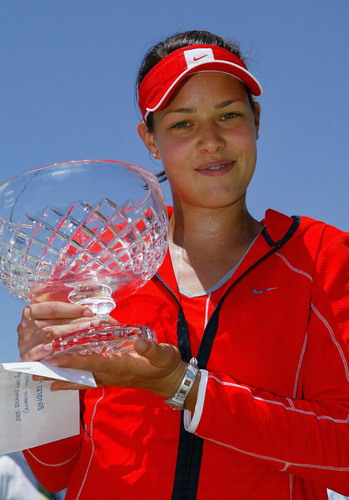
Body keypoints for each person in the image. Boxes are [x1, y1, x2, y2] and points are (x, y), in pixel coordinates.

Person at [17, 30, 349, 499]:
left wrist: (182, 387)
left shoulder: (323, 258)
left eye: (229, 115)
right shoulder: (97, 269)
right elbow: (54, 473)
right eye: (183, 123)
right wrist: (42, 381)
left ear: (257, 120)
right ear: (149, 139)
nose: (210, 140)